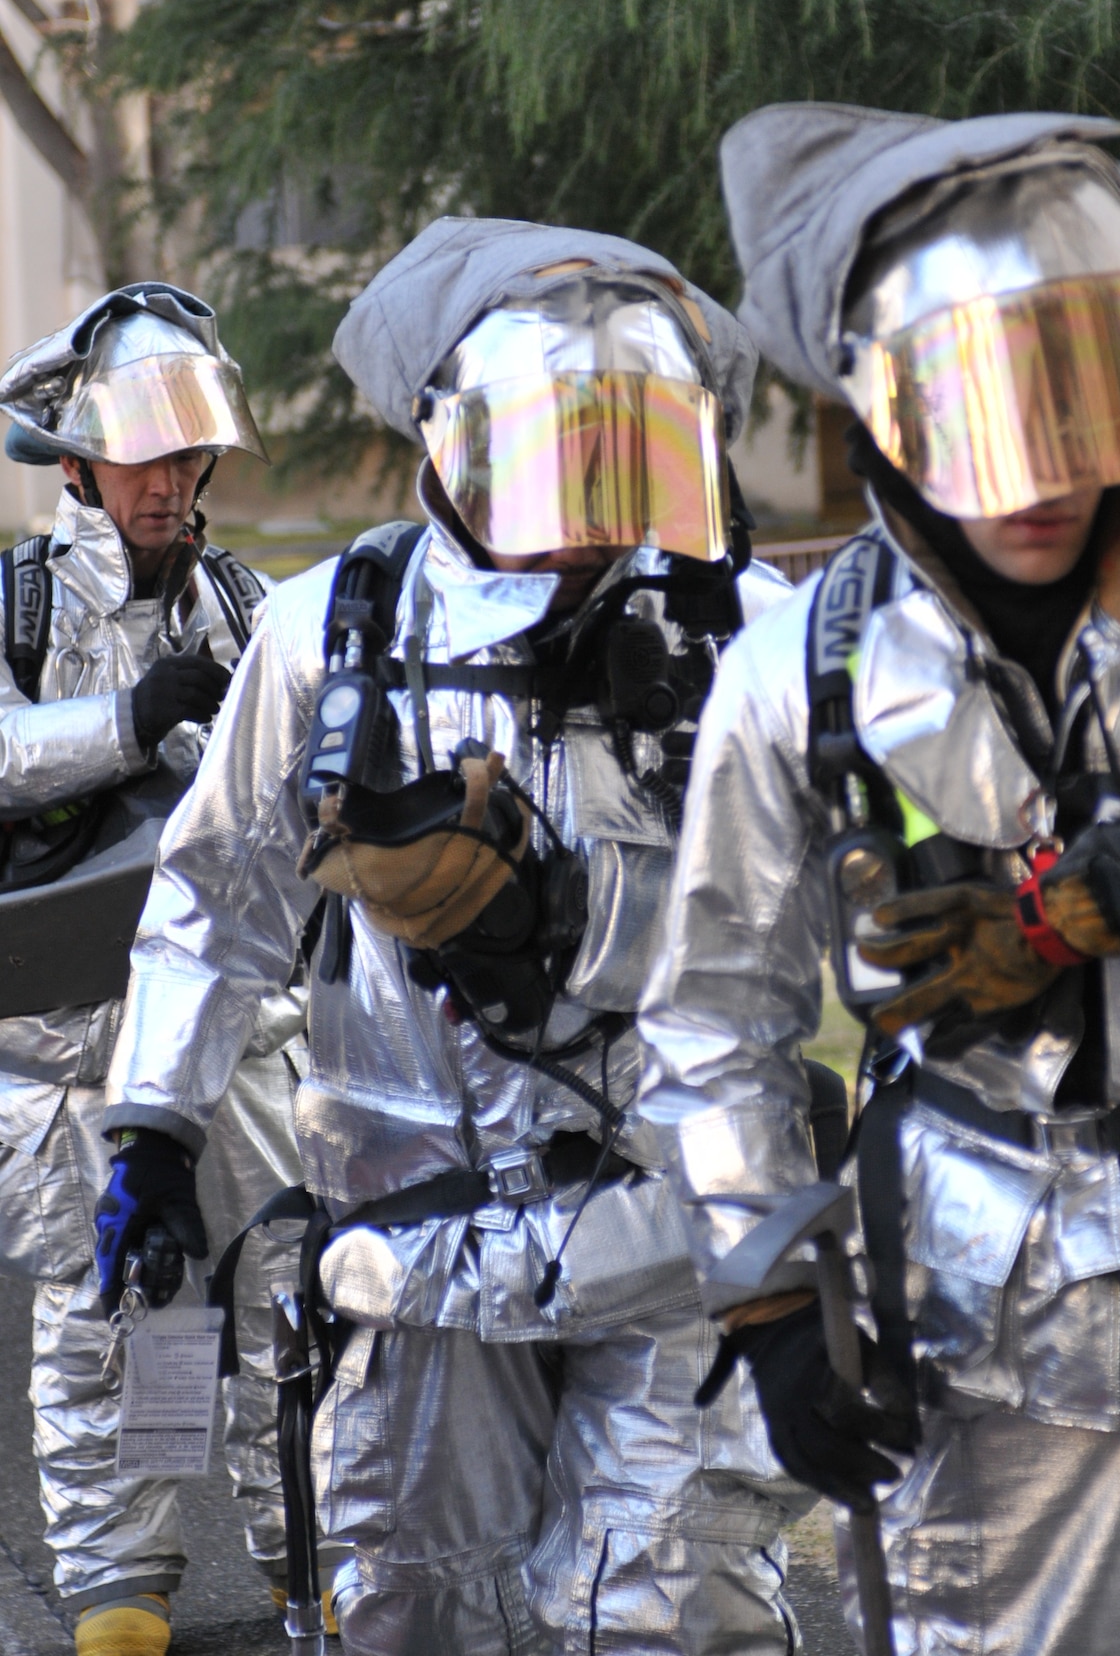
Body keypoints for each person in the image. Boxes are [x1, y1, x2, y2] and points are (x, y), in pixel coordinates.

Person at [638, 105, 1120, 1654]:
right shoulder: (791, 676)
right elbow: (714, 1020)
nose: (1040, 468)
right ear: (880, 415)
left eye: (1075, 399)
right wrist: (763, 1313)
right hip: (991, 1297)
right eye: (978, 409)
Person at [100, 221, 810, 1654]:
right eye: (560, 455)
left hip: (675, 1219)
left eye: (628, 455)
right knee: (418, 1603)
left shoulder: (747, 635)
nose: (594, 509)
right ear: (461, 449)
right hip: (414, 1232)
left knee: (669, 1608)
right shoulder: (334, 632)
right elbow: (215, 894)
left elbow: (833, 908)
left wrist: (576, 922)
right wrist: (156, 1132)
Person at [0, 283, 312, 1656]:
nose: (175, 483)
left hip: (239, 1042)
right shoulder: (12, 601)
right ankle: (119, 1601)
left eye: (192, 455)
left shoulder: (244, 601)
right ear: (77, 461)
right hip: (70, 1051)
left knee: (293, 1303)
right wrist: (126, 720)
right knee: (98, 1323)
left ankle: (323, 1569)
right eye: (146, 453)